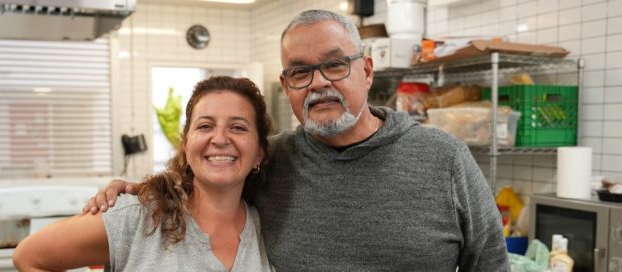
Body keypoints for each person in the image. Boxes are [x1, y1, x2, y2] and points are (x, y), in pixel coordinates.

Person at [85, 10, 510, 271]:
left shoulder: (444, 159)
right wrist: (139, 191)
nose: (319, 84)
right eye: (301, 72)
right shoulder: (272, 160)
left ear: (366, 70)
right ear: (287, 85)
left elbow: (490, 265)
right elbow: (203, 187)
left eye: (335, 65)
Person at [13, 76, 274, 272]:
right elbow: (29, 256)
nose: (219, 139)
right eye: (205, 125)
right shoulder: (137, 216)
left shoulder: (268, 227)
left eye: (238, 127)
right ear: (185, 144)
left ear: (259, 153)